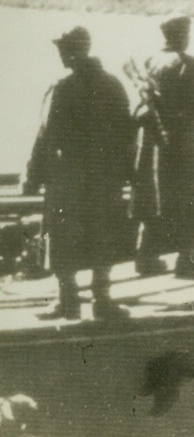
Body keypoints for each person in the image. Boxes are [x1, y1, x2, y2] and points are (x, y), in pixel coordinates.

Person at [24, 27, 134, 320]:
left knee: (63, 239)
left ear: (73, 51)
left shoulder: (62, 87)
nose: (60, 54)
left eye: (63, 48)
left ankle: (68, 301)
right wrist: (126, 174)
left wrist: (33, 177)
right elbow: (127, 134)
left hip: (68, 178)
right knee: (102, 237)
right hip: (104, 179)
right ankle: (103, 301)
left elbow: (46, 137)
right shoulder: (113, 85)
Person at [130, 14, 194, 278]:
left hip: (152, 143)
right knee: (189, 199)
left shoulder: (149, 61)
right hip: (182, 142)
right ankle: (187, 260)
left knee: (153, 196)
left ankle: (144, 256)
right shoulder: (189, 64)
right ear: (182, 35)